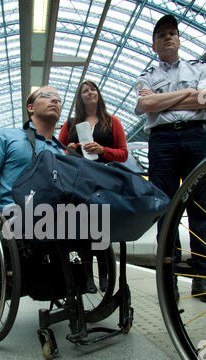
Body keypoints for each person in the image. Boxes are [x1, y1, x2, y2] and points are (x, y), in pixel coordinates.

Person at [135, 14, 206, 302]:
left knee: (202, 206)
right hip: (161, 141)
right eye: (162, 34)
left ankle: (202, 278)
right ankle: (169, 279)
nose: (168, 36)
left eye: (172, 33)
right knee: (165, 208)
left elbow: (204, 100)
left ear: (179, 39)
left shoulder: (200, 68)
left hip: (196, 137)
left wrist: (163, 101)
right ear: (154, 45)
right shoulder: (146, 75)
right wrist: (189, 94)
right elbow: (145, 103)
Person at [59, 80, 128, 293]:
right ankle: (87, 278)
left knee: (102, 230)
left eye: (93, 89)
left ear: (99, 94)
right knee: (83, 231)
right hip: (79, 183)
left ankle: (105, 277)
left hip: (103, 181)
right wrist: (68, 150)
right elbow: (57, 152)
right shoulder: (70, 125)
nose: (90, 93)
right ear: (80, 98)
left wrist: (102, 150)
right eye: (85, 91)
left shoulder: (112, 122)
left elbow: (123, 154)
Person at [0, 85, 65, 236]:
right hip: (15, 216)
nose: (54, 99)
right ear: (31, 107)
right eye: (46, 95)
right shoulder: (7, 137)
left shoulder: (61, 152)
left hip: (54, 217)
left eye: (59, 99)